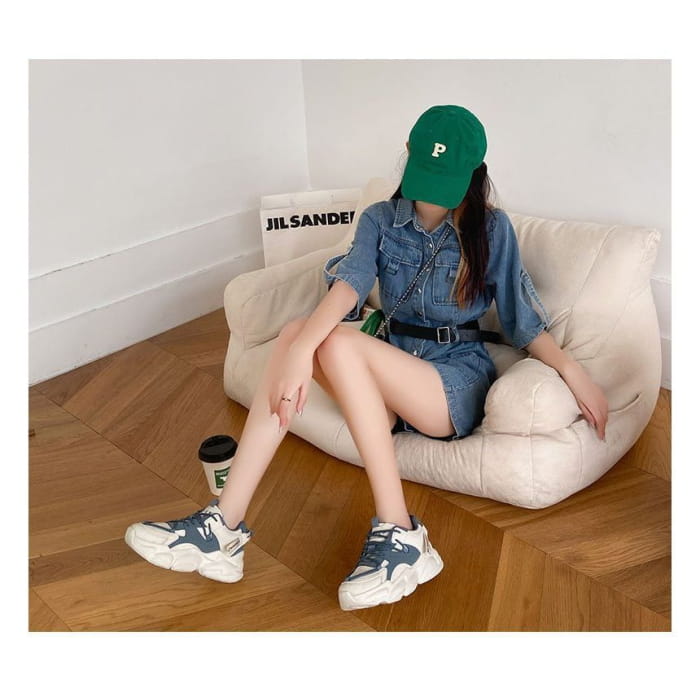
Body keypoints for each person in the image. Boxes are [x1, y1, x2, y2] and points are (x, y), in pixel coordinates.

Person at [125, 104, 609, 612]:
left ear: (472, 174)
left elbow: (521, 319)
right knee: (295, 334)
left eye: (444, 182)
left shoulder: (491, 230)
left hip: (451, 380)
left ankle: (402, 533)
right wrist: (300, 350)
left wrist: (573, 371)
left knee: (328, 342)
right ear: (410, 156)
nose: (430, 194)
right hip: (388, 369)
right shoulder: (380, 218)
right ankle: (223, 527)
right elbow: (350, 284)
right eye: (425, 175)